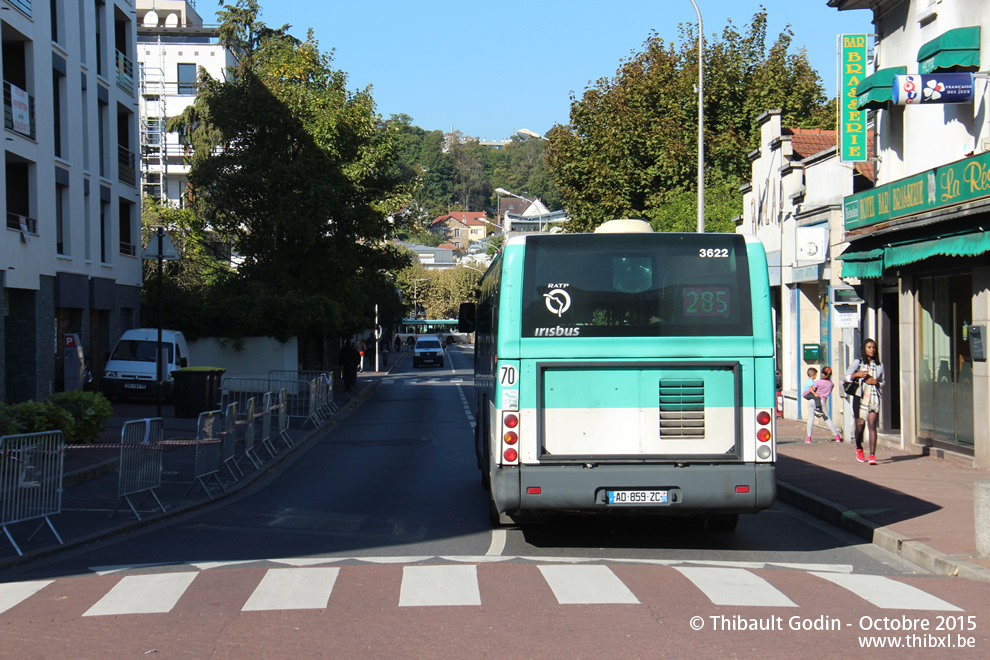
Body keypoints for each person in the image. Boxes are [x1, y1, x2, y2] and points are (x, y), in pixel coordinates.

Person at [845, 338, 885, 465]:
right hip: (860, 397)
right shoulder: (858, 362)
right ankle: (859, 448)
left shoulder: (879, 365)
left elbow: (884, 382)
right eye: (869, 347)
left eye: (873, 348)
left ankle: (872, 455)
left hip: (874, 398)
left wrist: (876, 383)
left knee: (872, 425)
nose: (872, 350)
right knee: (859, 426)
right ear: (864, 348)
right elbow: (846, 377)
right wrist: (857, 375)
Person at [805, 366, 842, 444]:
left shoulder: (818, 382)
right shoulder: (831, 384)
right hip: (822, 401)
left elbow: (811, 390)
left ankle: (808, 438)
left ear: (822, 374)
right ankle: (837, 436)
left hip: (812, 400)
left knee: (811, 418)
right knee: (827, 418)